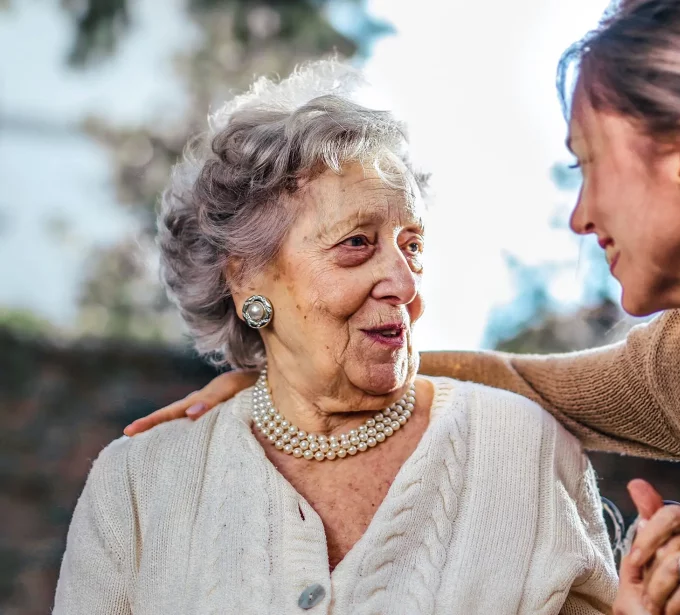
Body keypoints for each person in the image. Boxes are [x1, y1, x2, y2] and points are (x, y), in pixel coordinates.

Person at [129, 0, 680, 609]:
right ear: (246, 279)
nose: (580, 215)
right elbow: (519, 381)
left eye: (589, 164)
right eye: (356, 244)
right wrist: (291, 366)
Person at [54, 61, 630, 614]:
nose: (405, 284)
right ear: (246, 277)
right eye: (357, 243)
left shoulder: (524, 451)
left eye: (413, 245)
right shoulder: (138, 483)